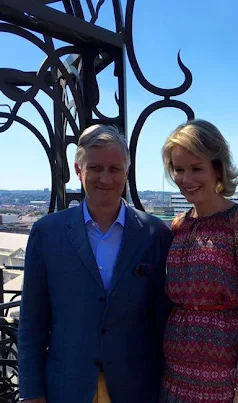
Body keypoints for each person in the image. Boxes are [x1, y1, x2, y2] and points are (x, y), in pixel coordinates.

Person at [18, 125, 172, 403]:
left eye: (114, 169)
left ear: (127, 172)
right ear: (78, 170)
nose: (105, 178)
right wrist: (31, 392)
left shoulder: (155, 234)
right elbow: (32, 321)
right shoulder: (47, 233)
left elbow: (162, 321)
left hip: (136, 388)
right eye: (96, 167)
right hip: (66, 388)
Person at [160, 120, 238, 403]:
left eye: (197, 168)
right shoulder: (178, 226)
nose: (185, 179)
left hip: (224, 375)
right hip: (175, 370)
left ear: (217, 169)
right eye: (178, 169)